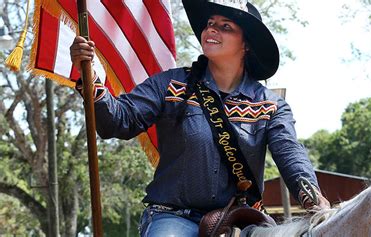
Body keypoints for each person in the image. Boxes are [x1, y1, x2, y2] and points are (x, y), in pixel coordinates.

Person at [70, 0, 330, 236]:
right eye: (209, 24)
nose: (212, 30)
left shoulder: (271, 106)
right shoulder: (170, 84)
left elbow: (291, 155)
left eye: (225, 26)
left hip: (242, 220)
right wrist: (91, 78)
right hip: (172, 217)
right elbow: (117, 122)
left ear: (246, 44)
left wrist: (313, 198)